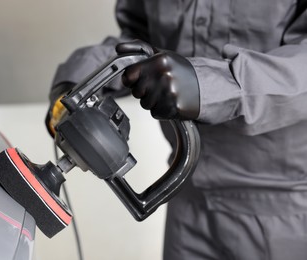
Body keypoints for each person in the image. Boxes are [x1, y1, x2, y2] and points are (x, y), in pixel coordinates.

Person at [47, 1, 307, 259]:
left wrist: (212, 85)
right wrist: (78, 80)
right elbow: (139, 39)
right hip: (186, 202)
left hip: (282, 210)